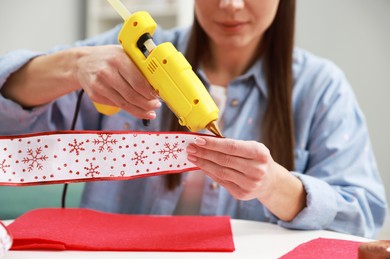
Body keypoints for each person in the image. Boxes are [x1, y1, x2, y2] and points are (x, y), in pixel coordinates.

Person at [0, 0, 386, 238]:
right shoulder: (134, 54)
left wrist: (275, 187)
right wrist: (73, 65)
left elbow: (364, 217)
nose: (231, 4)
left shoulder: (320, 88)